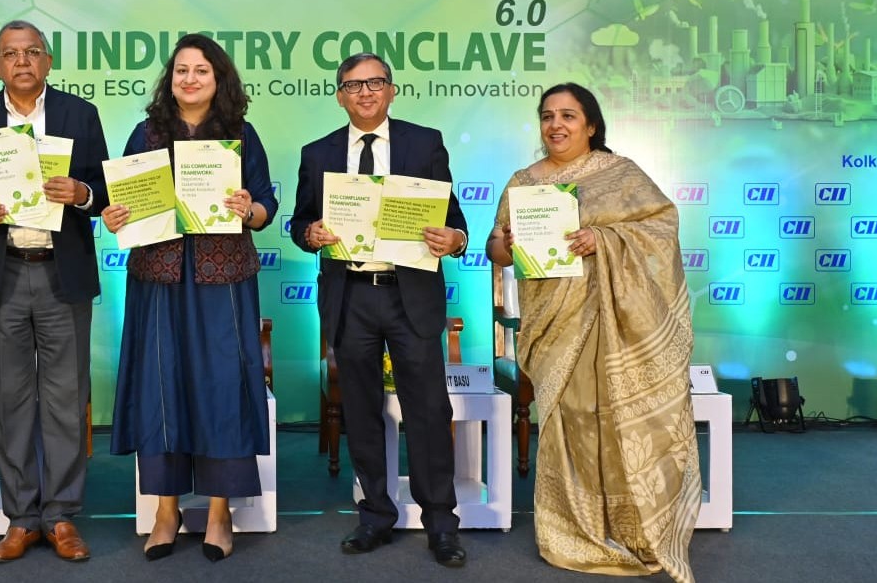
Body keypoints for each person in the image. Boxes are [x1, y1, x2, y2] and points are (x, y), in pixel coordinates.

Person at [485, 82, 700, 582]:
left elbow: (660, 227)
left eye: (568, 115)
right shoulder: (523, 181)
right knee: (572, 417)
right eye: (547, 116)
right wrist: (508, 243)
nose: (555, 125)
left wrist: (602, 238)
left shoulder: (620, 174)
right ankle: (575, 527)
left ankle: (632, 526)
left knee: (615, 415)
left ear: (591, 125)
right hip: (552, 322)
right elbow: (496, 249)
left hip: (613, 320)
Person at [289, 53, 469, 568]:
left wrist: (455, 240)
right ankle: (374, 515)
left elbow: (455, 220)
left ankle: (441, 523)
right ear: (339, 96)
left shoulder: (424, 143)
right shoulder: (317, 153)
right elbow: (299, 222)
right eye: (353, 85)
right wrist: (310, 234)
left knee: (428, 410)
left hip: (410, 293)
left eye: (375, 83)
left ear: (391, 90)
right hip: (350, 295)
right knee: (362, 410)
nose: (365, 92)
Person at [103, 34, 277, 563]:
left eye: (201, 70)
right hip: (158, 277)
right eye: (181, 70)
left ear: (218, 79)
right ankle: (166, 511)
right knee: (160, 387)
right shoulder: (146, 134)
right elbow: (121, 204)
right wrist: (115, 216)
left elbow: (266, 206)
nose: (190, 79)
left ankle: (220, 513)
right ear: (170, 79)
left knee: (223, 387)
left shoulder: (240, 134)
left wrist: (249, 210)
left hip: (224, 278)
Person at [0, 20, 108, 563]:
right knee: (10, 401)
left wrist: (82, 192)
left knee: (66, 400)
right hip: (3, 271)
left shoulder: (80, 115)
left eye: (32, 52)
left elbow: (106, 188)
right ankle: (20, 518)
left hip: (63, 273)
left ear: (48, 61)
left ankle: (60, 517)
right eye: (10, 54)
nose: (22, 62)